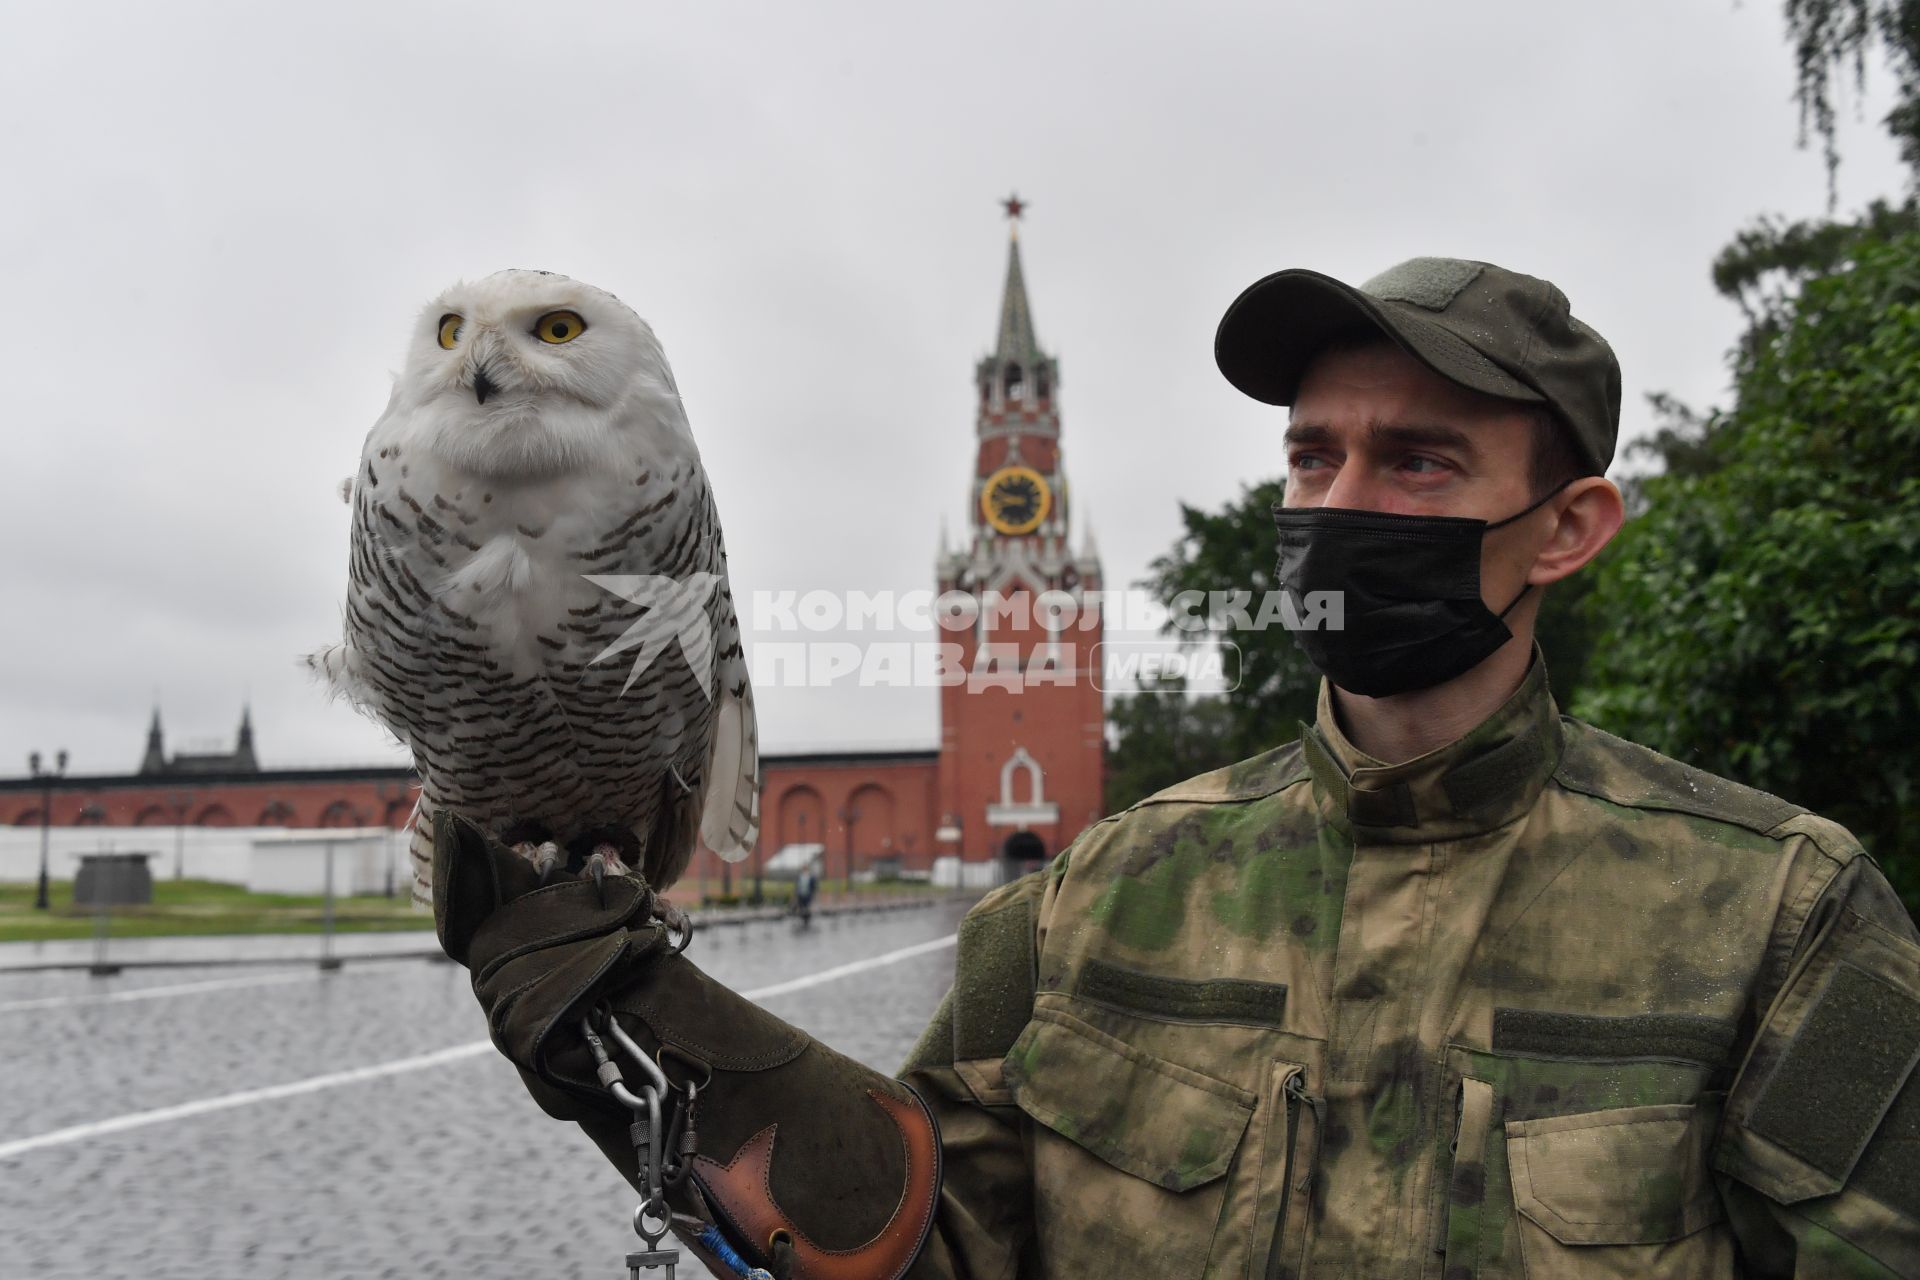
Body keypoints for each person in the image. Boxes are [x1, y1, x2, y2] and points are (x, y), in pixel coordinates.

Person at [431, 257, 1920, 1278]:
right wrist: (632, 1024)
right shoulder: (1100, 894)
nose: (1338, 502)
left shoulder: (1776, 920)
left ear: (1570, 527)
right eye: (1309, 456)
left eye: (1417, 462)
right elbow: (927, 1242)